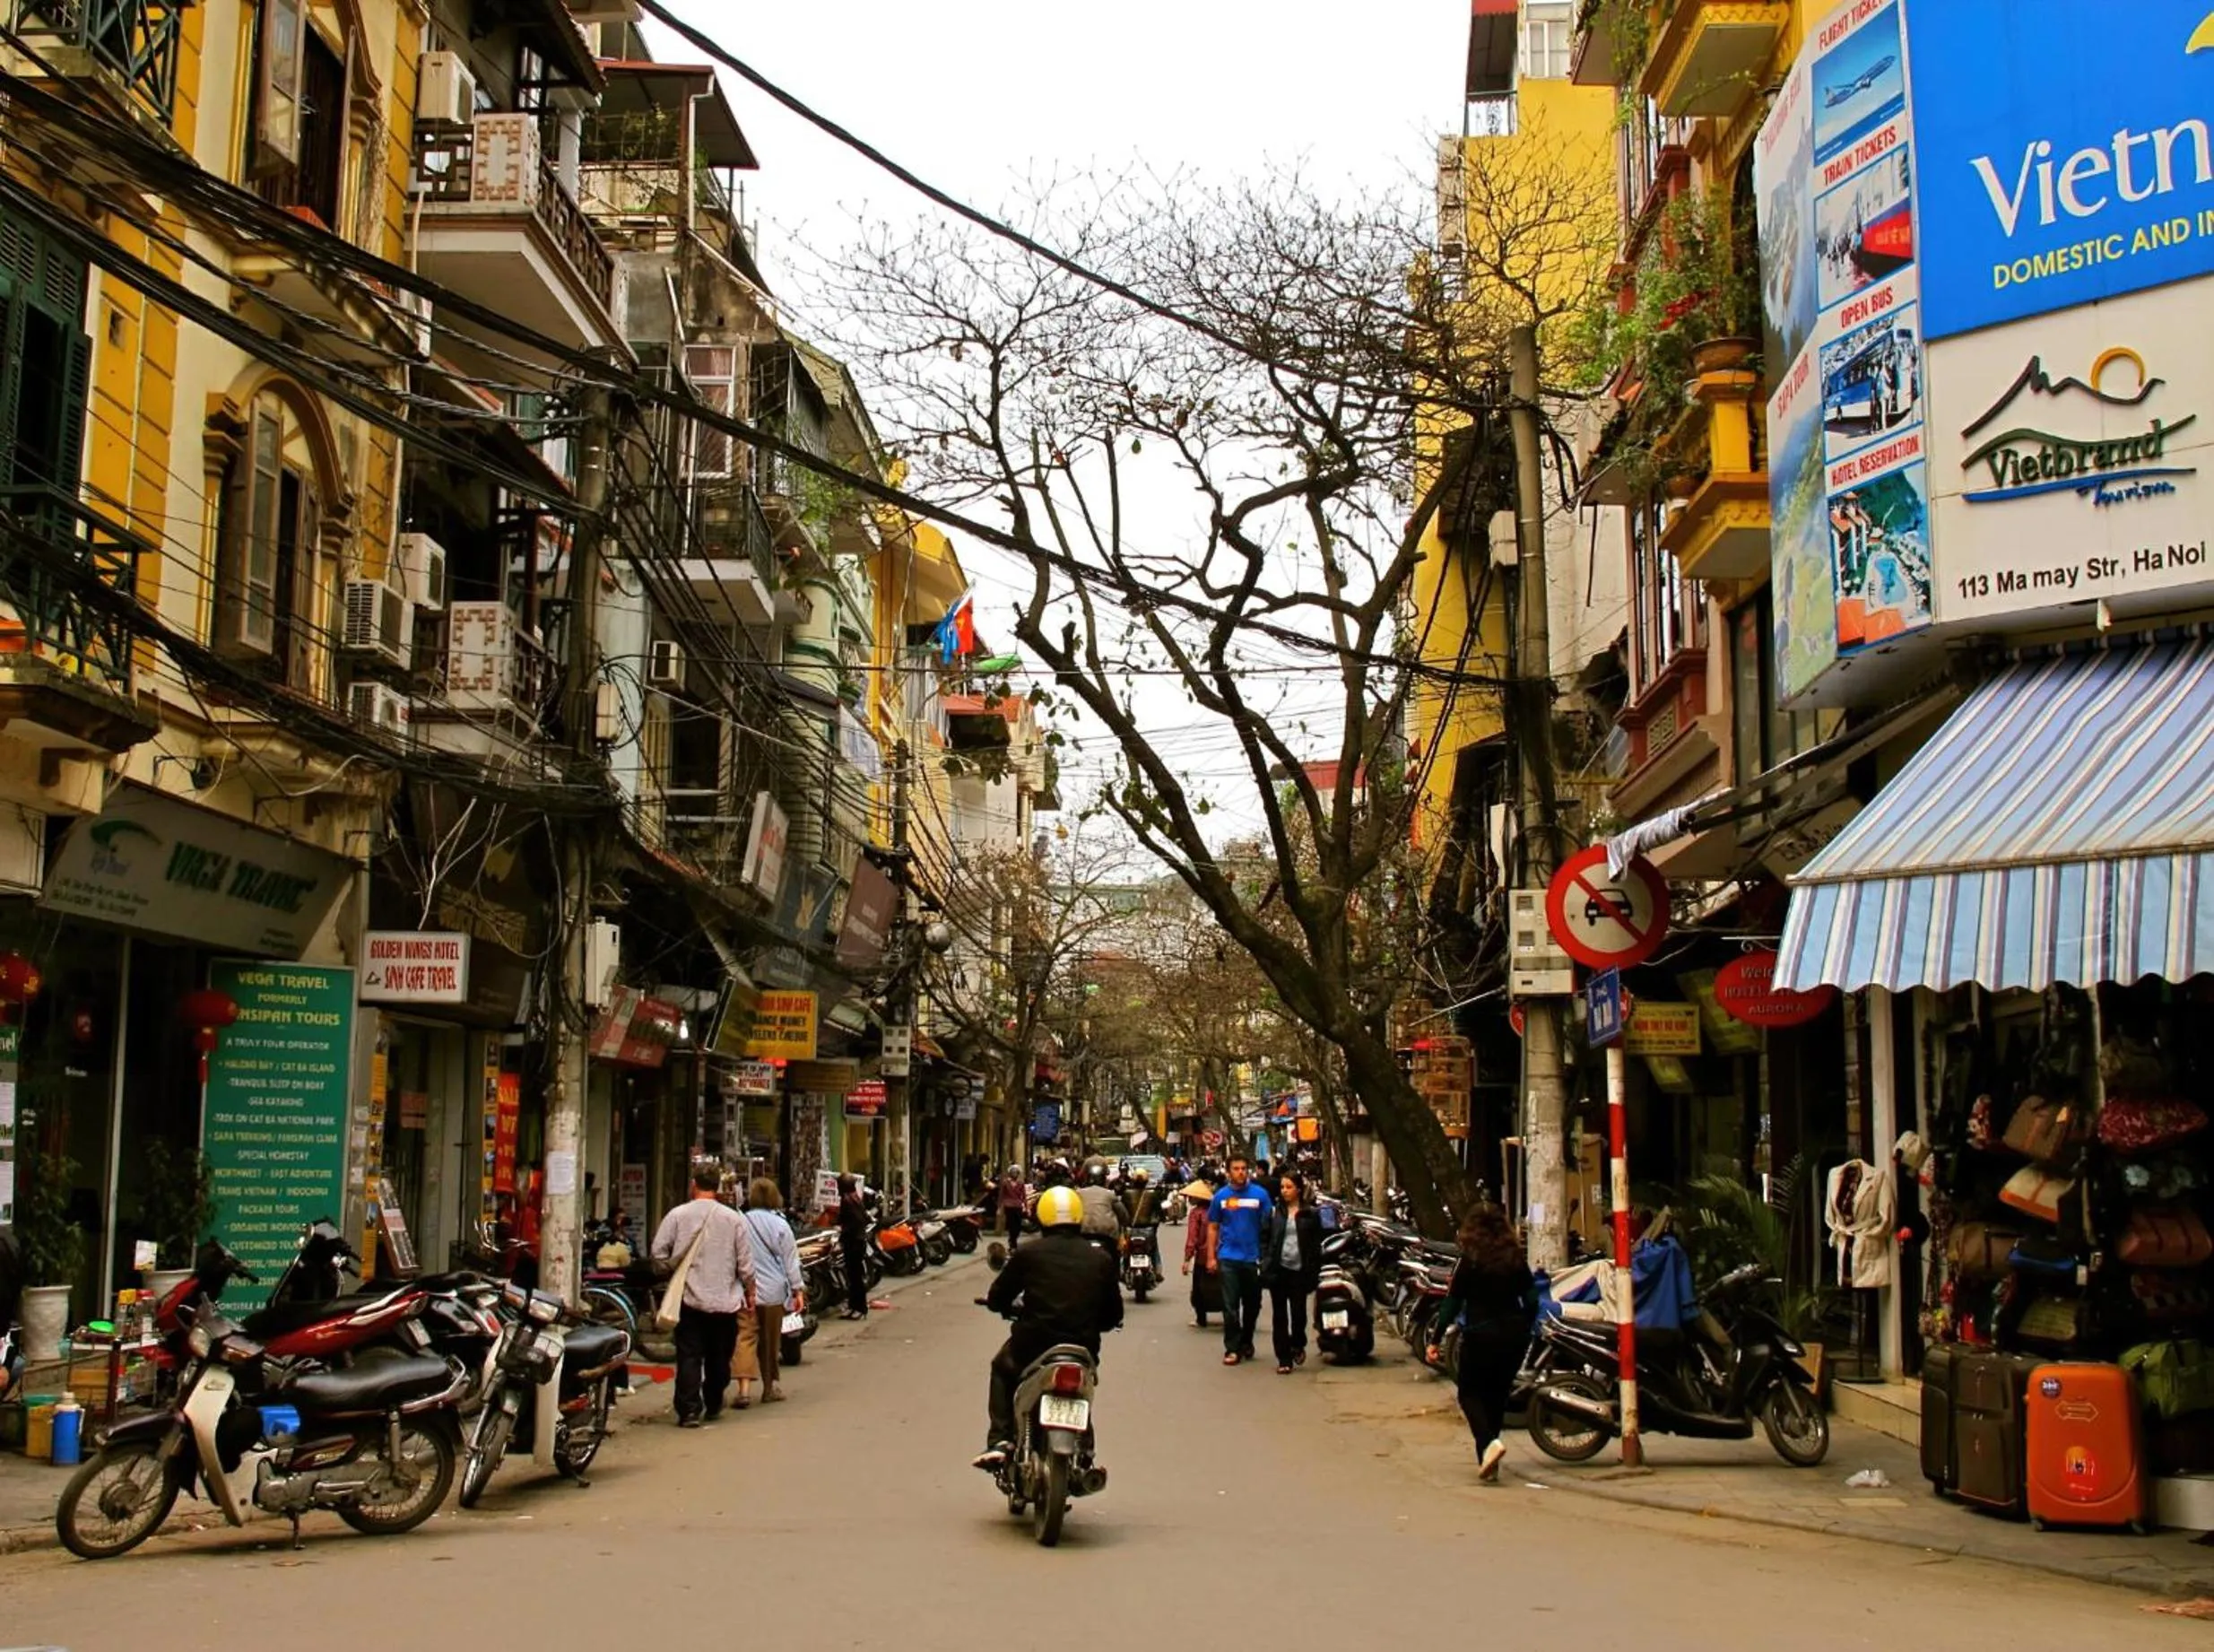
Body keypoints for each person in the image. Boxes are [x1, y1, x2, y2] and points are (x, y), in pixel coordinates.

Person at [974, 1185, 1124, 1468]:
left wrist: (1001, 1306)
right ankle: (1085, 1450)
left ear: (1041, 1216)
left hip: (1033, 1344)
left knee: (1002, 1369)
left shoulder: (1029, 1254)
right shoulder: (1100, 1258)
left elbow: (998, 1297)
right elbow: (1114, 1313)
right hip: (1082, 1346)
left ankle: (1000, 1439)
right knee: (1082, 1388)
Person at [1428, 1203, 1537, 1482]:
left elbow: (1452, 1304)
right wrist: (1524, 1324)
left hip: (1481, 1335)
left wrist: (1436, 1339)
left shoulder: (1470, 1260)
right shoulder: (1514, 1258)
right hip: (1514, 1337)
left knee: (1469, 1393)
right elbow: (1533, 1299)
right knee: (1496, 1397)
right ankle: (1489, 1463)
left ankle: (1489, 1444)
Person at [650, 1163, 758, 1429]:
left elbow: (657, 1252)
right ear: (718, 1187)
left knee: (689, 1355)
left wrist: (676, 1266)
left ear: (694, 1184)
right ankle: (713, 1401)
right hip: (726, 1300)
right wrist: (751, 1293)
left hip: (690, 1299)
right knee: (720, 1355)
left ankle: (688, 1410)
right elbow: (745, 1263)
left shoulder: (677, 1215)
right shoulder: (733, 1219)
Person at [735, 1178, 803, 1407]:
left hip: (745, 1291)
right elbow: (791, 1261)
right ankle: (769, 1387)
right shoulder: (781, 1225)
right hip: (774, 1292)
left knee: (745, 1339)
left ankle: (743, 1390)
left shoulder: (740, 1222)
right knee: (771, 1342)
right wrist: (797, 1290)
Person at [1205, 1157, 1272, 1365]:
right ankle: (1232, 1348)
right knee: (1230, 1307)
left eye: (1244, 1168)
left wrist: (1267, 1255)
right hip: (1228, 1259)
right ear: (1228, 1172)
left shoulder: (1260, 1196)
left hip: (1253, 1259)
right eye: (1236, 1169)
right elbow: (1213, 1227)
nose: (1241, 1172)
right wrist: (1211, 1257)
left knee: (1253, 1305)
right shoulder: (1221, 1197)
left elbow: (1269, 1226)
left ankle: (1246, 1341)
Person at [1259, 1172, 1324, 1374]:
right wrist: (1265, 1259)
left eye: (1289, 1187)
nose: (1285, 1191)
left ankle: (1298, 1343)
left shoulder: (1310, 1214)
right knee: (1280, 1316)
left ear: (1298, 1189)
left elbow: (1316, 1243)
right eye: (1282, 1187)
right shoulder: (1273, 1213)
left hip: (1300, 1270)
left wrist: (1314, 1267)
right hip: (1278, 1269)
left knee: (1298, 1313)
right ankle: (1284, 1358)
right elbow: (1265, 1237)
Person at [1181, 1175, 1218, 1327]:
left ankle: (1201, 1318)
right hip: (1221, 1254)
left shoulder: (1196, 1214)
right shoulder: (1217, 1211)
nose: (1189, 1198)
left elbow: (1192, 1239)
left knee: (1198, 1288)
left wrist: (1187, 1259)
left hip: (1203, 1257)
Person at [837, 1174, 871, 1319]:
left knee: (855, 1277)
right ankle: (853, 1306)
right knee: (853, 1277)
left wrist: (842, 1231)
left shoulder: (848, 1200)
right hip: (857, 1242)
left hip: (854, 1243)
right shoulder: (855, 1198)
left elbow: (855, 1221)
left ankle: (860, 1308)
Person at [1076, 1160, 1128, 1243]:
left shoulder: (1078, 1193)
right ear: (1103, 1179)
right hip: (1107, 1234)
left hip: (1083, 1232)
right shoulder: (1110, 1194)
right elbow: (1123, 1215)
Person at [996, 1164, 1029, 1243]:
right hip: (1009, 1205)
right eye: (1013, 1172)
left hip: (1018, 1205)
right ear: (1010, 1173)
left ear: (1018, 1174)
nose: (1014, 1174)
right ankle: (1012, 1241)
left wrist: (1026, 1207)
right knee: (1011, 1224)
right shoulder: (1005, 1183)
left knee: (1018, 1225)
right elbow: (1001, 1195)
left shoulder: (1021, 1183)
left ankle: (1013, 1238)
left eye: (1016, 1172)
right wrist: (999, 1207)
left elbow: (1023, 1195)